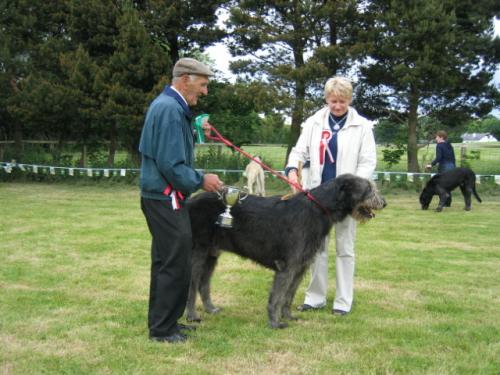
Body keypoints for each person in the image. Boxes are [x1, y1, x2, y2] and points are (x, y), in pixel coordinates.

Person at [139, 58, 223, 343]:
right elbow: (172, 164)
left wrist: (198, 130)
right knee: (174, 263)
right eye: (203, 84)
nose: (205, 91)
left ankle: (167, 323)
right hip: (164, 198)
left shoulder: (172, 108)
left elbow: (173, 147)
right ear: (185, 79)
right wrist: (201, 180)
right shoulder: (169, 110)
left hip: (161, 197)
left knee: (168, 261)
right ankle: (162, 330)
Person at [285, 76, 376, 316]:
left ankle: (343, 301)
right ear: (326, 99)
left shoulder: (363, 126)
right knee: (316, 248)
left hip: (347, 199)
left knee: (345, 248)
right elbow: (298, 151)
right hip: (318, 197)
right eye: (333, 101)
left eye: (342, 101)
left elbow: (368, 162)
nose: (337, 106)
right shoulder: (313, 122)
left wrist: (356, 190)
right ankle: (315, 298)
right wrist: (293, 169)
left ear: (350, 100)